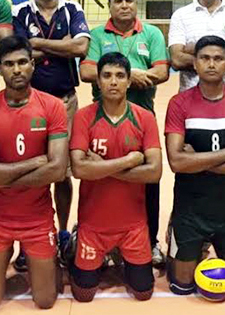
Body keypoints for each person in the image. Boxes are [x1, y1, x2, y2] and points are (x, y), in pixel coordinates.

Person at [0, 35, 68, 313]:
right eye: (9, 64)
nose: (16, 69)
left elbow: (58, 169)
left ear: (33, 65)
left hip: (37, 218)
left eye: (22, 62)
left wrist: (1, 176)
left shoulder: (52, 106)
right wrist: (35, 163)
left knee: (45, 300)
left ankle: (44, 255)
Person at [165, 35, 225, 297]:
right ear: (194, 64)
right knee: (180, 287)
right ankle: (176, 234)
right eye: (205, 58)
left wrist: (197, 160)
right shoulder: (179, 104)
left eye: (218, 58)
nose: (211, 64)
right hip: (190, 212)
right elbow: (176, 162)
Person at [79, 0, 169, 266]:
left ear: (136, 3)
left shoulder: (152, 33)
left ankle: (150, 240)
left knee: (147, 182)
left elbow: (162, 70)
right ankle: (98, 240)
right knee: (100, 181)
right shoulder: (96, 34)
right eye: (118, 1)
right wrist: (132, 76)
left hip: (142, 115)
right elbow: (86, 70)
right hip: (102, 117)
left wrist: (138, 74)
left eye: (129, 0)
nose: (124, 5)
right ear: (109, 5)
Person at [13, 0, 91, 269]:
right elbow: (18, 50)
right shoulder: (19, 11)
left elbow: (80, 48)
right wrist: (61, 43)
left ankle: (61, 233)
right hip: (27, 101)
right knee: (28, 170)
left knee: (62, 171)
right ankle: (26, 240)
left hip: (64, 100)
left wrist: (38, 44)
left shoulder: (72, 9)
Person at [69, 52, 162, 301]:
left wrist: (104, 167)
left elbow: (154, 172)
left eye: (120, 76)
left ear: (129, 81)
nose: (113, 82)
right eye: (107, 76)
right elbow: (79, 169)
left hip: (133, 226)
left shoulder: (145, 117)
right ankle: (80, 240)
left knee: (143, 292)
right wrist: (130, 162)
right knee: (83, 293)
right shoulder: (83, 117)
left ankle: (121, 255)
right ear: (97, 81)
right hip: (93, 225)